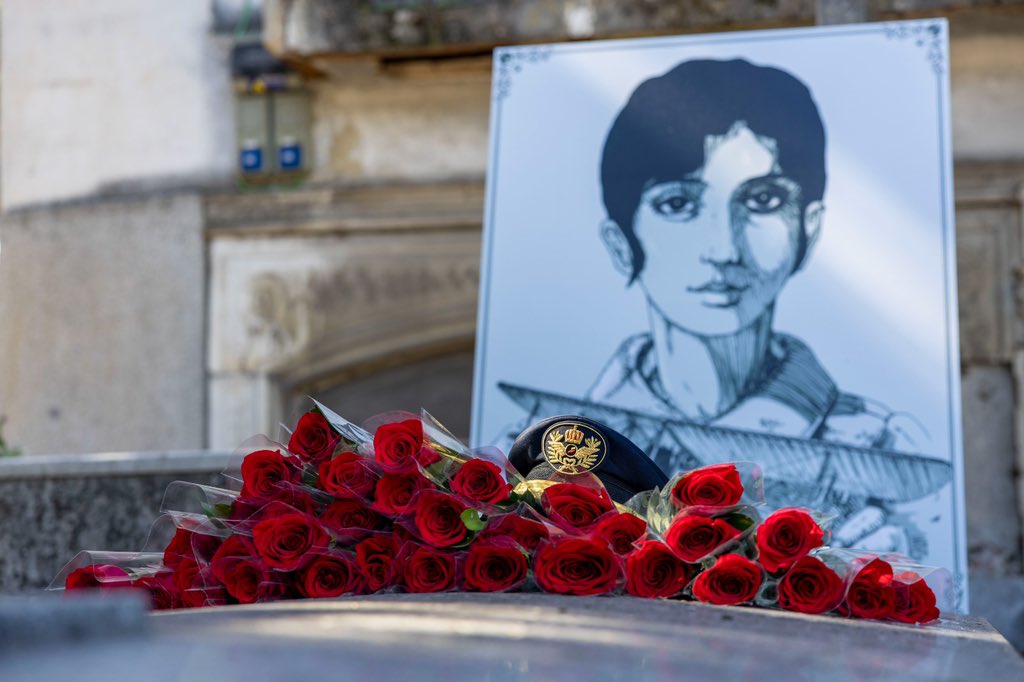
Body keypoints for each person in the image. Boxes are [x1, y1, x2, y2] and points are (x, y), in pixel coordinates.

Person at [589, 58, 927, 552]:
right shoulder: (550, 444)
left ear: (807, 232)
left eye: (763, 200)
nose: (724, 250)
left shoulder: (888, 454)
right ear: (621, 244)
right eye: (678, 204)